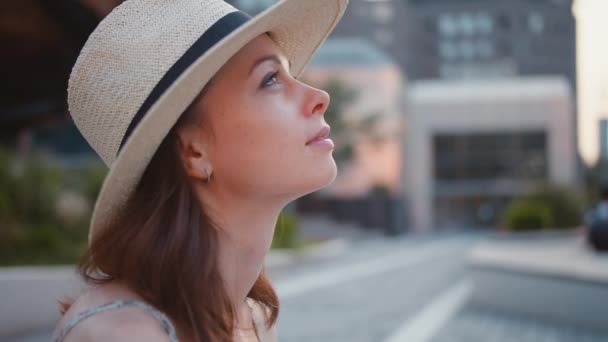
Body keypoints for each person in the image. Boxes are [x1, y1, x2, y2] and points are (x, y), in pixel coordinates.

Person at [51, 0, 348, 340]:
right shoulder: (124, 334)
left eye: (290, 74)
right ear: (192, 151)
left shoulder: (252, 319)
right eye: (270, 79)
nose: (319, 96)